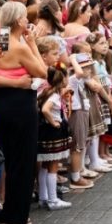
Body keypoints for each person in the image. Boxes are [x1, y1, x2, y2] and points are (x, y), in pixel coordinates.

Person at [0, 2, 47, 224]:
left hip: (2, 105)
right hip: (21, 107)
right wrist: (33, 44)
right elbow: (42, 72)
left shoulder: (1, 41)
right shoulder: (19, 46)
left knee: (6, 160)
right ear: (20, 20)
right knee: (23, 162)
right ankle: (16, 217)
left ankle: (6, 211)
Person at [37, 66, 72, 210]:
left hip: (45, 131)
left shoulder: (46, 91)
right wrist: (53, 122)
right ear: (61, 79)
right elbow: (45, 109)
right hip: (53, 131)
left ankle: (43, 197)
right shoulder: (55, 95)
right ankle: (53, 199)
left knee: (45, 165)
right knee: (53, 166)